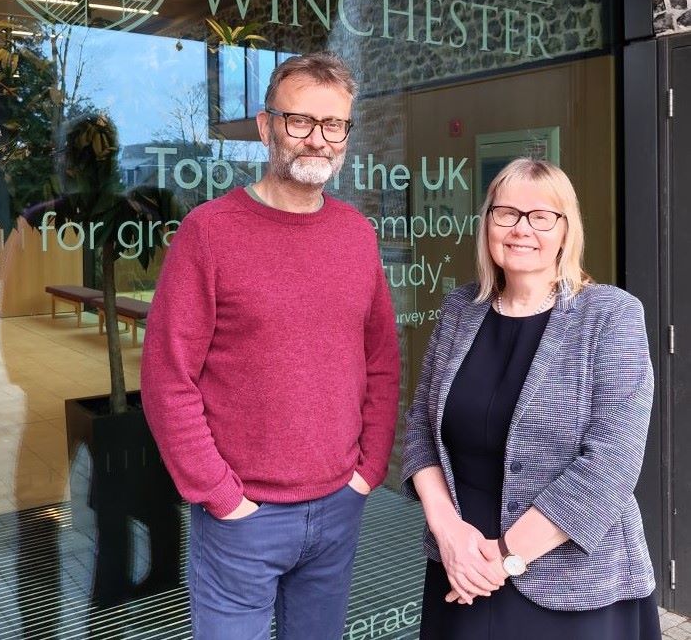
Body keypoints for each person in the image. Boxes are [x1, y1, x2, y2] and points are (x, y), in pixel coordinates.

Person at [141, 52, 400, 640]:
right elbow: (167, 379)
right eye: (299, 122)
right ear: (266, 127)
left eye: (333, 125)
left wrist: (367, 472)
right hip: (242, 519)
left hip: (339, 505)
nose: (318, 140)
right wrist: (220, 495)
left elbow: (381, 364)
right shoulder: (208, 233)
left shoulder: (356, 235)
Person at [402, 158, 661, 640]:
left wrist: (503, 557)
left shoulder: (610, 315)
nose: (522, 229)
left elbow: (612, 463)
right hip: (460, 567)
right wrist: (447, 532)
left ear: (566, 230)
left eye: (542, 216)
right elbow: (420, 427)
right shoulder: (460, 311)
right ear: (488, 224)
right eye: (507, 213)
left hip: (573, 587)